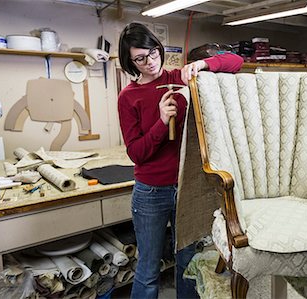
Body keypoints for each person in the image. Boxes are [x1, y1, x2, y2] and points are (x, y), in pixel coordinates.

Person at [117, 22, 243, 299]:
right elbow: (137, 153)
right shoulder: (128, 97)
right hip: (150, 191)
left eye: (152, 53)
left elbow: (236, 61)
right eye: (140, 58)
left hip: (187, 188)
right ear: (130, 62)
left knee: (188, 263)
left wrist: (203, 66)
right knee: (149, 268)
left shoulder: (180, 76)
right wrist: (162, 122)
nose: (149, 62)